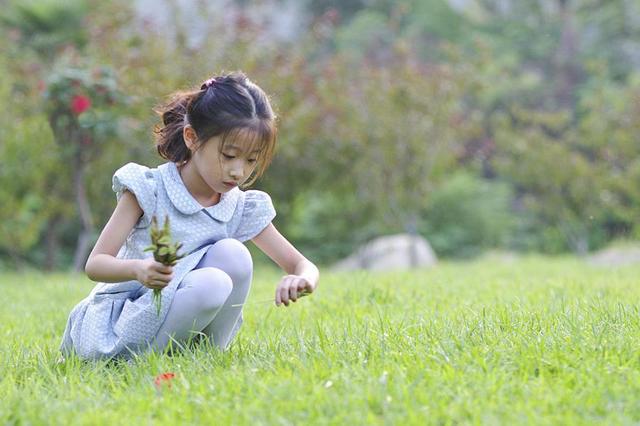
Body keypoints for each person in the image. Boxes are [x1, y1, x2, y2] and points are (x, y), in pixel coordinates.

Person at [60, 72, 319, 360]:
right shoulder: (150, 189)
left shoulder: (237, 205)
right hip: (124, 322)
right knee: (213, 283)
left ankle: (208, 356)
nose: (239, 171)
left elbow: (301, 264)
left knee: (234, 253)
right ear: (192, 138)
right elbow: (95, 264)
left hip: (181, 311)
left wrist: (301, 280)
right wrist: (138, 269)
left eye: (251, 160)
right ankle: (140, 364)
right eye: (229, 155)